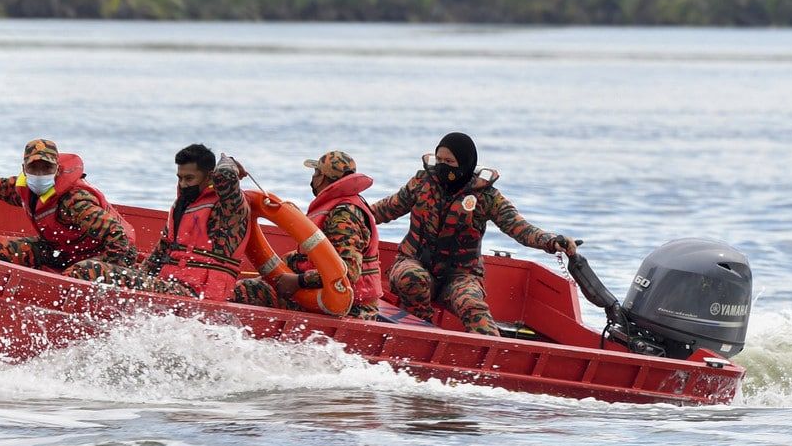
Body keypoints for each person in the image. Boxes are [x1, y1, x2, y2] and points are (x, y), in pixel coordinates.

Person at [371, 132, 578, 334]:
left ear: (464, 164)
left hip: (460, 275)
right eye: (439, 159)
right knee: (411, 277)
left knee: (472, 305)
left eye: (449, 162)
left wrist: (551, 242)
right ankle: (418, 333)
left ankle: (493, 356)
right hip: (414, 262)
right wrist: (353, 215)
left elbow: (519, 227)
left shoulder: (486, 197)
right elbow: (385, 209)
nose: (442, 166)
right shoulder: (422, 182)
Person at [65, 143, 250, 301]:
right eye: (180, 178)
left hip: (198, 294)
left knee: (89, 270)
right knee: (103, 267)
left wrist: (229, 161)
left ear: (209, 177)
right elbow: (160, 254)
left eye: (190, 178)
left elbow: (226, 175)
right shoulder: (182, 206)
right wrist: (131, 272)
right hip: (172, 285)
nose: (184, 184)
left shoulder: (228, 207)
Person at [232, 151, 381, 320]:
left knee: (245, 291)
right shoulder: (338, 206)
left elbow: (347, 273)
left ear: (321, 177)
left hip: (350, 307)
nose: (312, 179)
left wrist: (299, 281)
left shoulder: (344, 216)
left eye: (315, 173)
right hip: (321, 294)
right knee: (257, 284)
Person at [0, 139, 137, 271]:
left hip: (106, 253)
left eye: (46, 168)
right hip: (64, 250)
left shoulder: (76, 201)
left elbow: (117, 236)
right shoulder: (27, 187)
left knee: (77, 274)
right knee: (7, 251)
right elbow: (3, 187)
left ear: (57, 169)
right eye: (34, 168)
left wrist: (110, 270)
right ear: (24, 169)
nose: (40, 174)